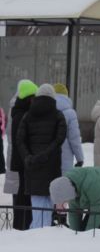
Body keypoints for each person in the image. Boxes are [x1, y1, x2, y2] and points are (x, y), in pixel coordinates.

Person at [17, 83, 67, 228]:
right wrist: (46, 154)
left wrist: (28, 157)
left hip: (33, 167)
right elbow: (60, 138)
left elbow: (20, 140)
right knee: (49, 205)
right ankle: (44, 238)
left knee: (37, 206)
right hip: (52, 166)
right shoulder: (58, 115)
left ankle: (36, 236)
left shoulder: (27, 116)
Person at [4, 79, 38, 230]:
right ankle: (21, 230)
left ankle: (20, 227)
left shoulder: (15, 110)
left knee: (19, 198)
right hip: (22, 163)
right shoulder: (22, 116)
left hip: (16, 162)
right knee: (23, 200)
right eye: (33, 98)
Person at [53, 83, 84, 173]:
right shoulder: (70, 113)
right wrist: (79, 158)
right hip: (65, 156)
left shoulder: (46, 110)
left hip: (47, 156)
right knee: (62, 184)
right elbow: (74, 138)